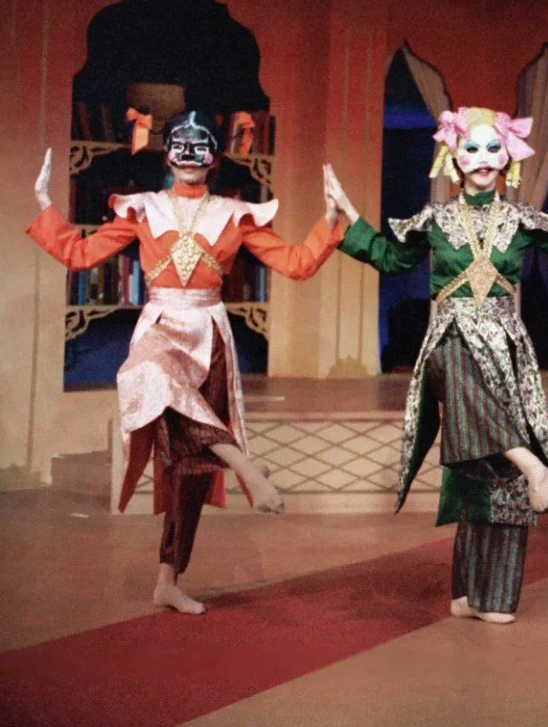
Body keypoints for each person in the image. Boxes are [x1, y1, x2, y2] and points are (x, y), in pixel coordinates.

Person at [27, 110, 346, 615]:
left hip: (210, 338)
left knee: (188, 472)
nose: (190, 153)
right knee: (148, 374)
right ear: (167, 151)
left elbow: (296, 263)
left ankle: (167, 579)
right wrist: (45, 203)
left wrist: (330, 219)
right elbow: (81, 254)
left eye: (202, 145)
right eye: (179, 142)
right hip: (160, 329)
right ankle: (248, 470)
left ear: (215, 155)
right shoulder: (142, 209)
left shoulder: (236, 214)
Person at [326, 105, 548, 624]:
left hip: (507, 343)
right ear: (453, 156)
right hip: (449, 337)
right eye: (472, 148)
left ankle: (477, 596)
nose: (483, 158)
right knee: (465, 384)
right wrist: (347, 214)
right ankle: (534, 463)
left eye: (494, 148)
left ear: (507, 157)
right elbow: (388, 256)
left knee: (487, 467)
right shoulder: (434, 219)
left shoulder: (519, 219)